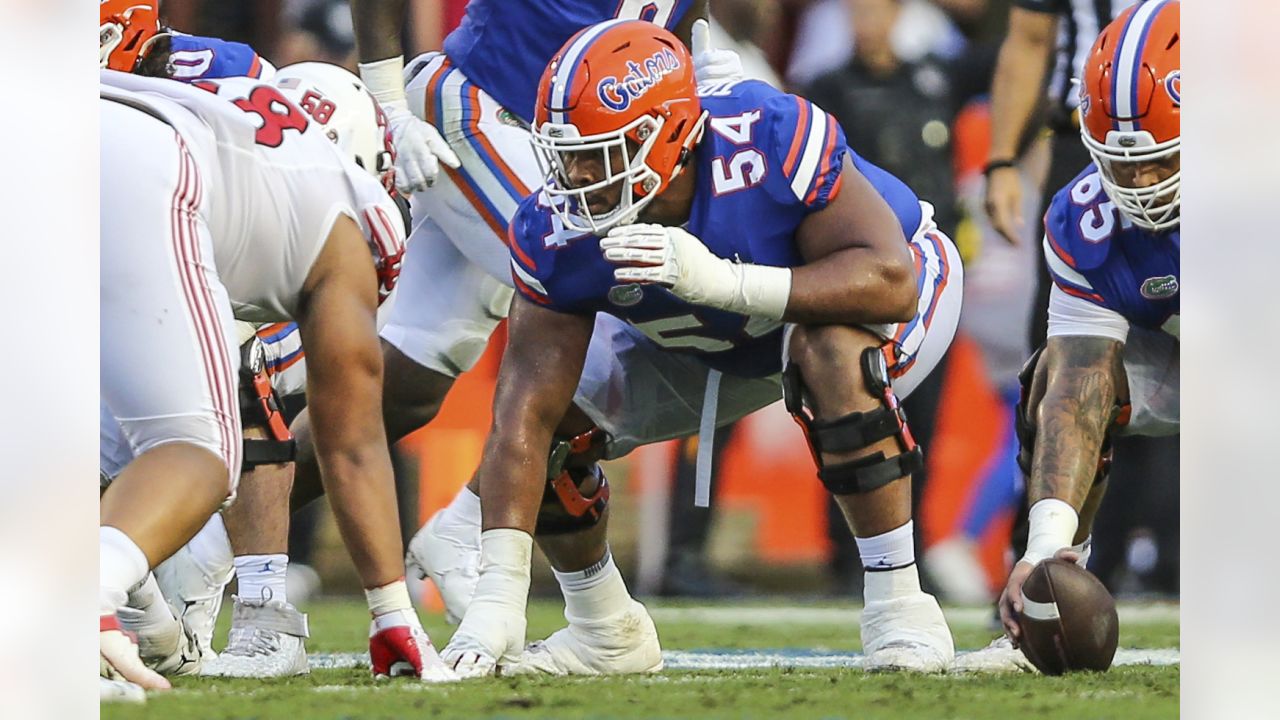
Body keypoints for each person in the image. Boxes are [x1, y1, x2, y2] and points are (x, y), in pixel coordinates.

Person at [438, 19, 964, 678]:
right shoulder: (554, 227)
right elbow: (523, 417)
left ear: (671, 136)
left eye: (598, 154)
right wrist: (497, 600)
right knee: (558, 421)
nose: (573, 177)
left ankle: (900, 605)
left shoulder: (768, 138)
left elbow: (890, 283)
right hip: (714, 340)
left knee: (832, 353)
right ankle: (604, 630)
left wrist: (725, 281)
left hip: (885, 287)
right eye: (564, 154)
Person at [275, 0, 742, 628]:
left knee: (400, 385)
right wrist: (388, 106)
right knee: (613, 327)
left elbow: (679, 26)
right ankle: (476, 531)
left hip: (570, 160)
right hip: (476, 115)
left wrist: (708, 72)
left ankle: (207, 539)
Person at [98, 63, 456, 702]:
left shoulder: (237, 120)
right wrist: (394, 613)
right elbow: (351, 443)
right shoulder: (355, 217)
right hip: (142, 171)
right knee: (200, 451)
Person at [958, 0, 1179, 672]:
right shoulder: (1086, 217)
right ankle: (1047, 592)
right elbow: (1081, 377)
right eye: (1122, 163)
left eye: (1158, 163)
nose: (1138, 184)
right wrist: (1043, 550)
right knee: (1058, 373)